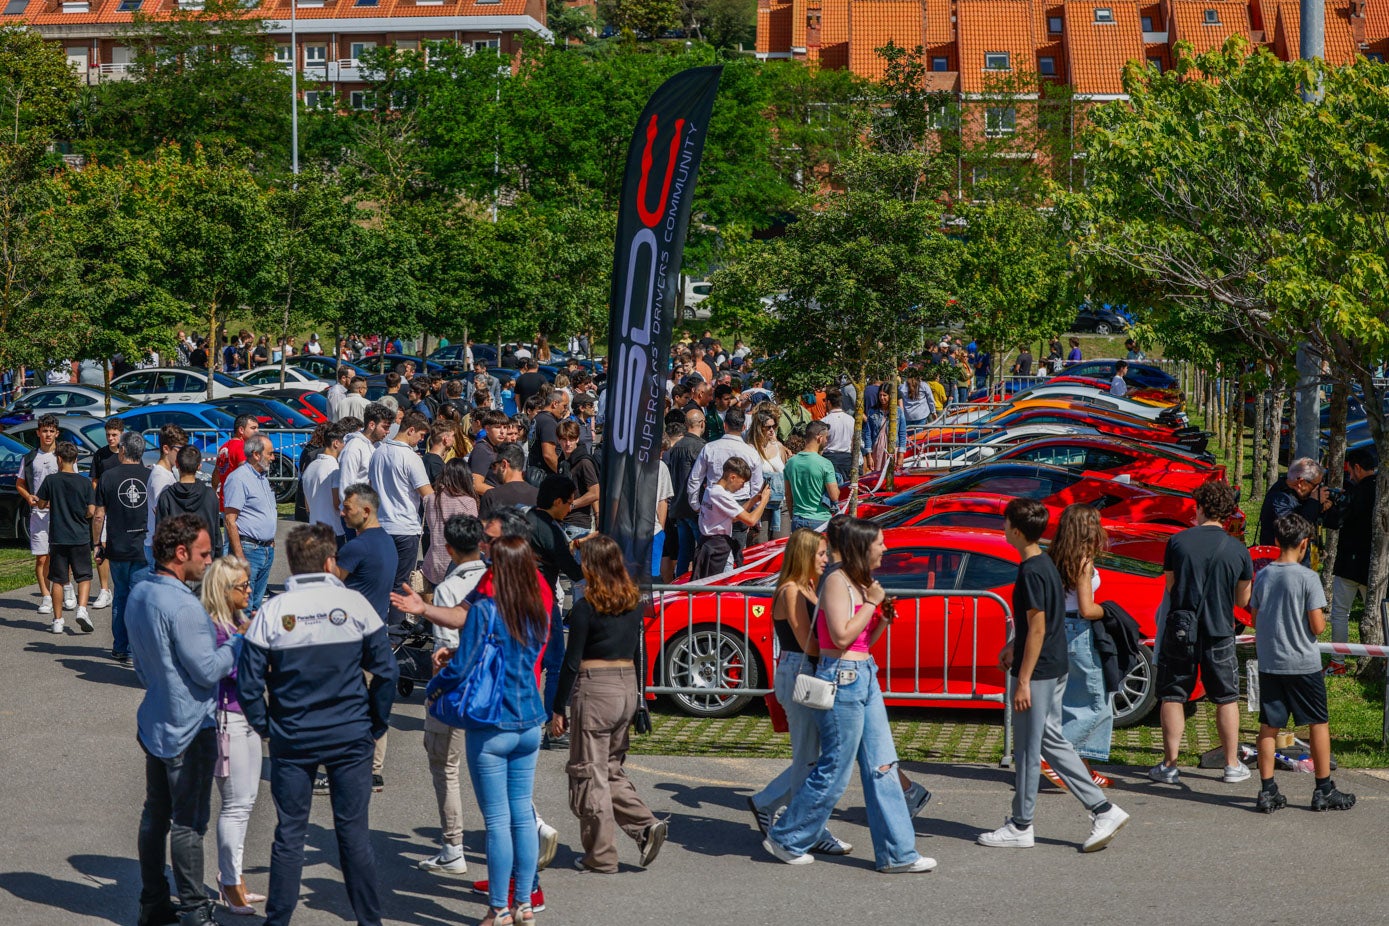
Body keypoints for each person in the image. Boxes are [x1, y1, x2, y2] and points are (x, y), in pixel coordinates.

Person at [237, 524, 397, 926]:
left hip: (293, 736)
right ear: (330, 561)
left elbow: (248, 680)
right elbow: (387, 673)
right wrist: (375, 724)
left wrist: (265, 726)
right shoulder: (356, 605)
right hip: (350, 734)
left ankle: (278, 922)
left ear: (292, 562)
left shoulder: (273, 610)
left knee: (290, 833)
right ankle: (369, 921)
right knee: (354, 834)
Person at [763, 518, 936, 872]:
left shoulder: (864, 583)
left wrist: (883, 618)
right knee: (835, 769)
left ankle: (898, 854)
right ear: (863, 546)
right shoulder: (836, 582)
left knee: (883, 766)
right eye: (880, 544)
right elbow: (840, 638)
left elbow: (861, 644)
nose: (886, 549)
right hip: (841, 679)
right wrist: (872, 606)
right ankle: (787, 836)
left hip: (864, 673)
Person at [977, 498, 1129, 852]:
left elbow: (1039, 625)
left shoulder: (1034, 568)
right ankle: (1100, 809)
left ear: (1015, 531)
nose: (1002, 528)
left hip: (1041, 669)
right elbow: (1043, 619)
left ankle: (1022, 824)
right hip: (1054, 664)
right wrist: (1015, 645)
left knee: (1030, 749)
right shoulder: (1041, 563)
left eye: (1004, 524)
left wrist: (1024, 678)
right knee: (1050, 742)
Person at [420, 535, 550, 926]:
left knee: (496, 822)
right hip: (529, 716)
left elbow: (465, 667)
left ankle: (498, 908)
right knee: (522, 818)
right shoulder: (536, 610)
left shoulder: (485, 609)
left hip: (492, 722)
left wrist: (435, 687)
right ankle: (524, 903)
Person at [128, 514, 238, 926]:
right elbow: (209, 670)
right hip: (190, 728)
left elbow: (141, 667)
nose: (210, 562)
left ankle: (153, 902)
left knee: (155, 814)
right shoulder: (185, 606)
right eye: (205, 554)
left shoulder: (140, 592)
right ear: (180, 554)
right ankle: (194, 910)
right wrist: (239, 642)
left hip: (156, 719)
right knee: (189, 823)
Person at [551, 534, 666, 873]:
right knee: (610, 768)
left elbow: (571, 662)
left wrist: (558, 707)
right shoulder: (633, 602)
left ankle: (600, 855)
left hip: (595, 689)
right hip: (627, 687)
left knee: (590, 774)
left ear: (593, 566)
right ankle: (645, 825)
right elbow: (639, 652)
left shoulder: (587, 606)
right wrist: (642, 701)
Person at [746, 529, 852, 852]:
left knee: (811, 758)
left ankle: (772, 806)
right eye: (820, 554)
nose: (825, 560)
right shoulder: (791, 590)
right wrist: (844, 644)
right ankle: (805, 828)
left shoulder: (806, 586)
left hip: (803, 670)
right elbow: (809, 642)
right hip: (799, 671)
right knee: (809, 758)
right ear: (804, 555)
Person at [1149, 479, 1253, 785]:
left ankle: (1169, 764)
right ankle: (1232, 765)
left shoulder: (1178, 542)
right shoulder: (1238, 550)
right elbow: (1243, 599)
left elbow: (1171, 586)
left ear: (1200, 508)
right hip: (1220, 630)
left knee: (1173, 695)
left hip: (1181, 630)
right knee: (1226, 697)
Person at [1250, 514, 1356, 813]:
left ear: (1276, 542)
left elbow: (1256, 618)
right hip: (1303, 664)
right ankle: (1323, 788)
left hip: (1271, 662)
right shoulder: (1308, 578)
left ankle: (1267, 790)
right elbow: (1318, 626)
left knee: (1269, 727)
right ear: (1304, 543)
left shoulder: (1264, 575)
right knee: (1318, 723)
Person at [418, 514, 489, 875]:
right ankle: (528, 827)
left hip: (457, 689)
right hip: (493, 688)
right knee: (490, 768)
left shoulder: (448, 591)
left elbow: (448, 647)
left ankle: (453, 845)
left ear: (448, 549)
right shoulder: (494, 580)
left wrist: (435, 691)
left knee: (445, 765)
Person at [200, 555, 265, 915]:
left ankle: (235, 878)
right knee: (236, 805)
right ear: (224, 591)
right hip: (227, 720)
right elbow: (221, 672)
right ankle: (229, 883)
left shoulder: (238, 620)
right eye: (243, 585)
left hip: (248, 718)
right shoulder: (216, 628)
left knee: (247, 801)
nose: (249, 589)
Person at [1047, 505, 1114, 789]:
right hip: (1078, 631)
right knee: (1097, 703)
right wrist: (1109, 611)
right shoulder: (1083, 560)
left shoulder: (1054, 556)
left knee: (1071, 701)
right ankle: (1056, 759)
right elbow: (1087, 608)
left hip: (1057, 628)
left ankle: (1083, 766)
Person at [369, 411, 435, 628]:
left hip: (381, 526)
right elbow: (428, 495)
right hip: (405, 528)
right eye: (421, 435)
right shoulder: (410, 458)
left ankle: (376, 629)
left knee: (380, 582)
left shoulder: (377, 453)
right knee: (400, 585)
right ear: (411, 430)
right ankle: (395, 635)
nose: (421, 440)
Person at [94, 430, 151, 663]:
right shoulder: (151, 477)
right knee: (140, 599)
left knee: (121, 597)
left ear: (124, 450)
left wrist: (97, 543)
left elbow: (98, 515)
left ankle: (121, 647)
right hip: (144, 546)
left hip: (117, 546)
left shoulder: (108, 477)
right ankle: (138, 648)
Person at [1321, 447, 1378, 674]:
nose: (1349, 476)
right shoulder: (1381, 489)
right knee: (1377, 614)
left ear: (1356, 467)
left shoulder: (1355, 493)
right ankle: (1379, 659)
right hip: (1376, 564)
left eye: (1350, 471)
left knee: (1340, 613)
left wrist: (1329, 506)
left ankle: (1338, 662)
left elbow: (1334, 521)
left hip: (1350, 563)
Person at [35, 441, 95, 633]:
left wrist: (46, 502)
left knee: (58, 579)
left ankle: (58, 620)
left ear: (58, 459)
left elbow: (42, 504)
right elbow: (91, 511)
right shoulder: (85, 482)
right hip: (80, 536)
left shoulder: (51, 481)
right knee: (84, 576)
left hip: (58, 537)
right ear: (75, 459)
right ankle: (83, 609)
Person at [222, 435, 278, 615]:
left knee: (256, 607)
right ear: (255, 454)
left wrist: (270, 540)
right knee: (243, 607)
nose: (273, 458)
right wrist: (239, 556)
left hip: (265, 549)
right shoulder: (239, 478)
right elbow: (230, 520)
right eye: (270, 454)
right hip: (249, 550)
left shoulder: (262, 477)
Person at [693, 457, 772, 580]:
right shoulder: (721, 495)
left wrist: (754, 500)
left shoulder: (711, 490)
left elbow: (735, 517)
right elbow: (751, 520)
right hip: (718, 550)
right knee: (722, 589)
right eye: (742, 483)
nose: (742, 487)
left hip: (710, 545)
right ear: (733, 477)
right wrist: (764, 502)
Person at [17, 414, 60, 615]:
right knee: (42, 558)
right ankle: (46, 596)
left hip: (60, 514)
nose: (48, 434)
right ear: (38, 433)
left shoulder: (63, 455)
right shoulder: (30, 458)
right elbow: (20, 484)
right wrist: (28, 497)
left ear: (57, 433)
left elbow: (72, 481)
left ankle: (65, 589)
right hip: (38, 514)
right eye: (44, 431)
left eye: (51, 431)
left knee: (61, 555)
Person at [1258, 457, 1332, 559]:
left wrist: (1321, 508)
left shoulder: (1297, 495)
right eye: (1315, 485)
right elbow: (1292, 531)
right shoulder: (1279, 499)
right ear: (1301, 482)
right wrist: (1314, 502)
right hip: (1280, 562)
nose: (1317, 489)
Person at [423, 459, 481, 588]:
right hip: (457, 562)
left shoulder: (430, 499)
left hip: (434, 562)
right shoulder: (468, 502)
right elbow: (471, 535)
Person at [157, 445, 223, 555]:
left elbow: (161, 537)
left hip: (177, 561)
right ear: (199, 467)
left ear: (177, 464)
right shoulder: (210, 495)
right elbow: (216, 534)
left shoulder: (166, 496)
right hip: (204, 559)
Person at [88, 418, 125, 610]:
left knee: (121, 547)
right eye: (108, 435)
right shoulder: (100, 455)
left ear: (121, 434)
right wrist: (96, 501)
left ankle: (121, 587)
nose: (110, 438)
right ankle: (104, 590)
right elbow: (94, 480)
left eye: (114, 435)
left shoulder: (127, 454)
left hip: (124, 509)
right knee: (101, 546)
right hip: (105, 507)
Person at [666, 409, 707, 576]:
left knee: (685, 550)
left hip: (679, 507)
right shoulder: (701, 447)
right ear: (702, 423)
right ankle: (700, 584)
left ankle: (681, 586)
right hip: (694, 508)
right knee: (703, 549)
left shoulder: (676, 447)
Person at [339, 405, 393, 524]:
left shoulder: (378, 446)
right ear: (371, 425)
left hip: (371, 512)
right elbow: (346, 484)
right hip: (356, 515)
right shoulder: (353, 448)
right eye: (385, 427)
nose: (388, 432)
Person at [784, 421, 840, 531]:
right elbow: (834, 496)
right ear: (819, 438)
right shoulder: (825, 464)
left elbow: (788, 495)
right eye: (826, 437)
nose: (827, 441)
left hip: (798, 519)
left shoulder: (791, 462)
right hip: (820, 520)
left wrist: (793, 516)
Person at [147, 424, 189, 565]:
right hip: (160, 547)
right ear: (166, 449)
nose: (183, 455)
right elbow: (162, 512)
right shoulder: (160, 477)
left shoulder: (168, 472)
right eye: (180, 450)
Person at [301, 422, 346, 542]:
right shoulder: (334, 468)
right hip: (333, 531)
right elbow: (337, 504)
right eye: (344, 443)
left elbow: (307, 506)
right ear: (336, 443)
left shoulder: (311, 466)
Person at [749, 412, 788, 542]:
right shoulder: (751, 449)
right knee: (760, 542)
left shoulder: (779, 447)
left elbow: (784, 473)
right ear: (759, 428)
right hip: (761, 504)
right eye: (768, 427)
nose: (772, 430)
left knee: (781, 543)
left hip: (781, 503)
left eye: (774, 426)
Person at [558, 419, 599, 539]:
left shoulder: (584, 462)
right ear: (558, 439)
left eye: (571, 439)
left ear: (577, 439)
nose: (568, 443)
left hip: (578, 525)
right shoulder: (562, 461)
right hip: (562, 521)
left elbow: (595, 493)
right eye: (564, 439)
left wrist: (571, 505)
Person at [479, 443, 539, 518]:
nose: (494, 471)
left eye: (494, 466)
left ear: (504, 465)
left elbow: (482, 527)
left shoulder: (492, 496)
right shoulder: (538, 495)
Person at [214, 415, 260, 509]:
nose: (257, 431)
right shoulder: (242, 447)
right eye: (253, 428)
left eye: (257, 428)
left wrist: (214, 490)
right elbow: (245, 473)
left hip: (225, 499)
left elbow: (216, 473)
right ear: (241, 430)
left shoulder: (224, 447)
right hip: (240, 501)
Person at [820, 388, 855, 482]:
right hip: (847, 459)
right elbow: (853, 442)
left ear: (828, 402)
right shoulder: (851, 420)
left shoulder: (824, 421)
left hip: (830, 460)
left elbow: (821, 445)